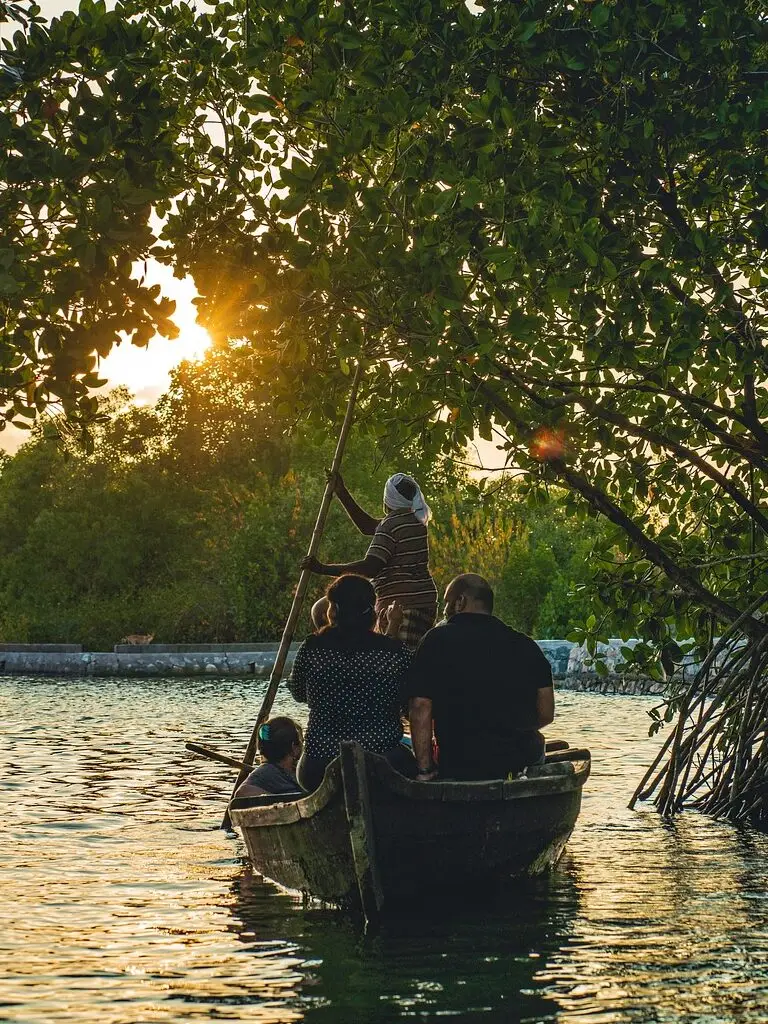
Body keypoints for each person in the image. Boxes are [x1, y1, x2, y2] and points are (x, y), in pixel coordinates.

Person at [404, 574, 555, 782]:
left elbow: (420, 706)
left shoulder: (435, 641)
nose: (445, 611)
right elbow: (546, 713)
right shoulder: (525, 645)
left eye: (447, 603)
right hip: (516, 759)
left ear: (460, 602)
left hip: (458, 761)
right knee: (537, 744)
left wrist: (424, 769)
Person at [288, 574, 417, 791]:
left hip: (319, 763)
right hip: (386, 760)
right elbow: (409, 702)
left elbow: (298, 693)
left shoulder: (312, 648)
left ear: (334, 610)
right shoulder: (395, 652)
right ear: (371, 613)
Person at [301, 472, 438, 650]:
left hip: (403, 606)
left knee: (398, 660)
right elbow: (367, 526)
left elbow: (370, 567)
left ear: (387, 500)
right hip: (421, 601)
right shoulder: (414, 521)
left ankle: (339, 655)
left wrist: (322, 568)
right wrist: (341, 492)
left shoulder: (391, 524)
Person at [234, 716, 304, 798]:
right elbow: (242, 793)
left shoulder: (294, 771)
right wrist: (281, 802)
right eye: (302, 742)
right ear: (294, 748)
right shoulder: (267, 771)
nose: (303, 747)